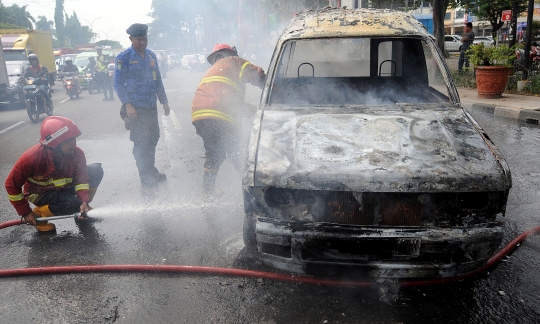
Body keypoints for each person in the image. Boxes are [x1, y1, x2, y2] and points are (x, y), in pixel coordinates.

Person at [5, 116, 104, 233]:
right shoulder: (31, 158)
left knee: (95, 170)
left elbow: (81, 180)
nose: (74, 144)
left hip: (63, 189)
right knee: (70, 204)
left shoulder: (77, 153)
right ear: (55, 144)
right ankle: (40, 213)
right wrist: (26, 212)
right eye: (68, 141)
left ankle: (81, 209)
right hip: (41, 194)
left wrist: (84, 201)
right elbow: (11, 185)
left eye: (74, 139)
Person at [191, 43, 266, 197]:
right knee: (236, 152)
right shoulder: (233, 61)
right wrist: (274, 88)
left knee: (214, 153)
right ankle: (252, 191)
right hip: (219, 114)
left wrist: (253, 110)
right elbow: (257, 74)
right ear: (229, 53)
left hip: (199, 115)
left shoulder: (211, 71)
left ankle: (207, 192)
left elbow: (234, 103)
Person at [114, 23, 170, 187]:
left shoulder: (151, 56)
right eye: (139, 40)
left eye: (144, 39)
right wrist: (127, 105)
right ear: (131, 39)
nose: (143, 42)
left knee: (153, 137)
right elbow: (118, 84)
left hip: (151, 104)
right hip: (135, 108)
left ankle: (151, 169)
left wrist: (164, 101)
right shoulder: (123, 58)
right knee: (140, 141)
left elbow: (157, 80)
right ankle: (144, 175)